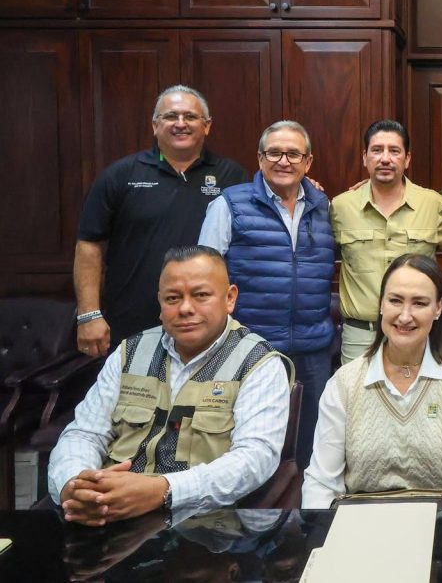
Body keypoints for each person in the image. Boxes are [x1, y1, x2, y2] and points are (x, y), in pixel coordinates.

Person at [48, 246, 291, 526]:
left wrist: (164, 490)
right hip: (106, 513)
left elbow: (255, 458)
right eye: (173, 298)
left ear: (229, 298)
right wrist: (75, 485)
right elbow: (84, 434)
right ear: (160, 303)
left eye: (201, 295)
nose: (185, 308)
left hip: (200, 524)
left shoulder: (257, 362)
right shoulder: (131, 352)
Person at [302, 254, 442, 509]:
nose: (404, 316)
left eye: (419, 303)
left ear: (438, 308)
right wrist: (323, 529)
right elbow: (322, 482)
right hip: (360, 520)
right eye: (395, 301)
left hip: (439, 519)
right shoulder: (344, 383)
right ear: (381, 304)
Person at [198, 120, 334, 469]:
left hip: (312, 350)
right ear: (260, 159)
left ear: (308, 162)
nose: (283, 161)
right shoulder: (229, 205)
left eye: (293, 154)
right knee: (251, 443)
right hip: (252, 347)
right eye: (274, 153)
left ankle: (307, 502)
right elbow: (203, 279)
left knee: (311, 445)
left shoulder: (323, 207)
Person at [75, 85, 247, 356]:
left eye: (190, 116)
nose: (180, 123)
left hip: (205, 324)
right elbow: (89, 244)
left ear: (207, 126)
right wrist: (89, 314)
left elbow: (265, 212)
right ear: (155, 125)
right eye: (170, 116)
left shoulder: (231, 176)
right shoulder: (120, 175)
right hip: (131, 322)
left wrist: (306, 187)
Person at [331, 119, 442, 365]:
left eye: (394, 151)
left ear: (407, 158)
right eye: (377, 150)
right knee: (355, 391)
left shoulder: (432, 204)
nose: (385, 158)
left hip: (416, 331)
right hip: (361, 335)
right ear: (364, 157)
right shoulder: (341, 206)